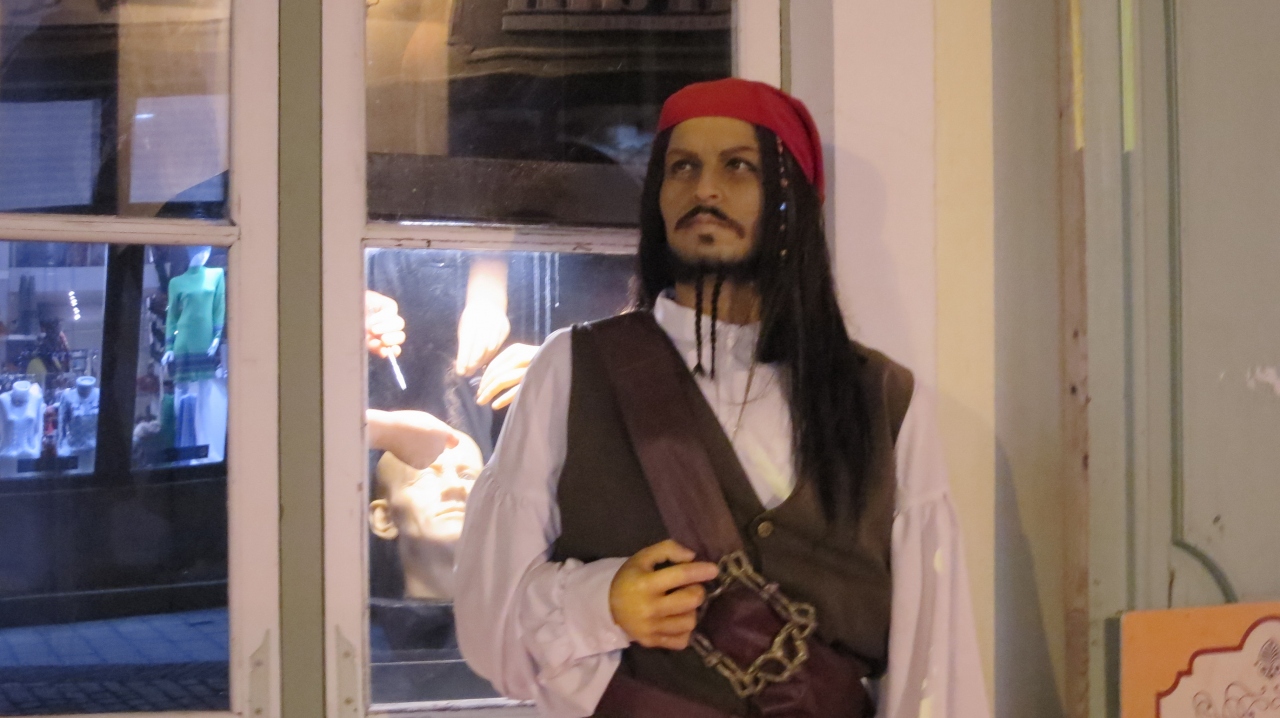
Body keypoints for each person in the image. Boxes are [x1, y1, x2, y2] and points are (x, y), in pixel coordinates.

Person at [454, 78, 990, 717]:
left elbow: (935, 662)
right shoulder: (571, 369)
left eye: (738, 167)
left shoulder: (884, 400)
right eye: (683, 167)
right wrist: (600, 603)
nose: (705, 189)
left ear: (789, 202)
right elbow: (490, 632)